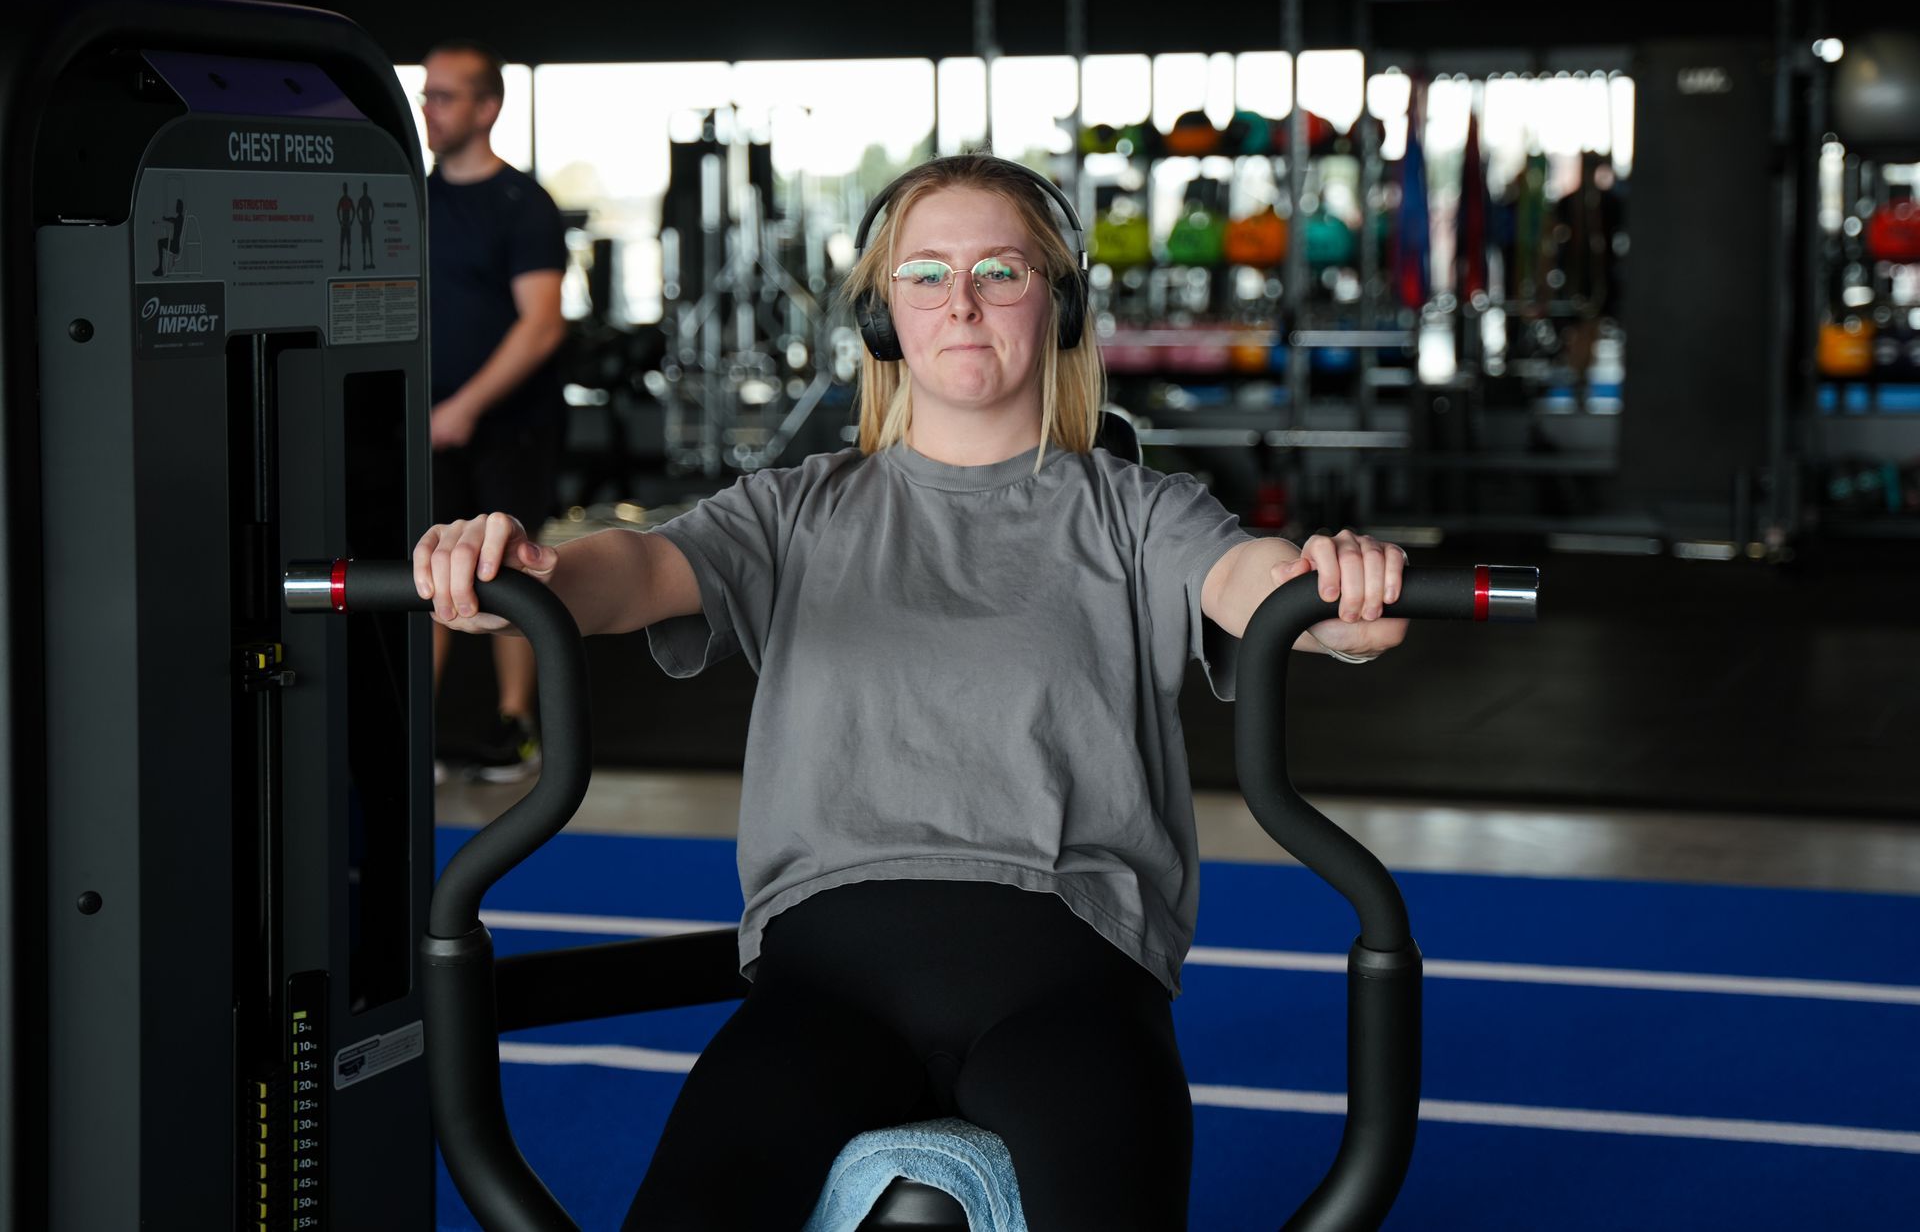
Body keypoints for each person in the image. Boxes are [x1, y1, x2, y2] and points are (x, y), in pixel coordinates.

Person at [413, 154, 1408, 1228]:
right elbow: (639, 568)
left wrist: (1335, 596)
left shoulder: (1138, 512)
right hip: (826, 984)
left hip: (1073, 980)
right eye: (926, 274)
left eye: (1000, 271)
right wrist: (529, 571)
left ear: (1060, 303)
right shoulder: (795, 509)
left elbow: (1253, 582)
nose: (961, 302)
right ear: (883, 316)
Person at [420, 39, 570, 782]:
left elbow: (542, 324)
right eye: (426, 94)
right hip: (427, 428)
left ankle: (516, 727)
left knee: (506, 571)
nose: (429, 109)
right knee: (424, 569)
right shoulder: (411, 200)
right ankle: (416, 734)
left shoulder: (524, 205)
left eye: (445, 96)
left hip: (510, 428)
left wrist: (463, 407)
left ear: (486, 108)